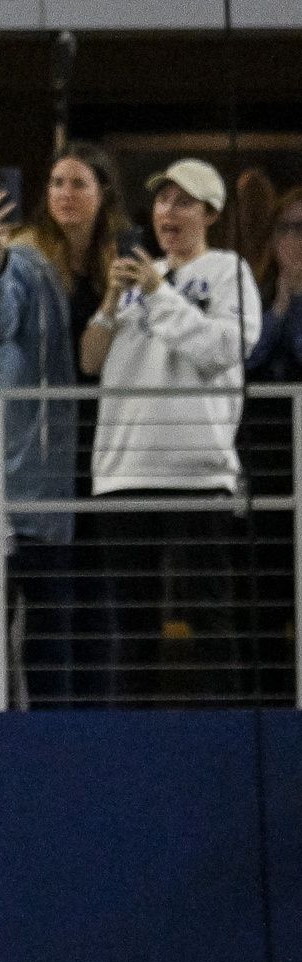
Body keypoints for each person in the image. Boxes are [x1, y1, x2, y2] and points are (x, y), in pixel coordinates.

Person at [82, 158, 261, 703]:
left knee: (209, 618)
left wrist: (161, 294)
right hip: (124, 469)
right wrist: (112, 301)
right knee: (131, 626)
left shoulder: (229, 271)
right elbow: (89, 362)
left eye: (183, 202)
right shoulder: (137, 281)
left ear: (210, 212)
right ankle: (130, 740)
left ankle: (223, 734)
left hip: (196, 471)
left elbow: (224, 351)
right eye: (161, 200)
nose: (168, 212)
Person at [0, 143, 129, 707]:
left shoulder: (123, 263)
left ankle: (99, 738)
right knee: (49, 620)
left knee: (101, 617)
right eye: (56, 183)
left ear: (104, 195)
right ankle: (50, 741)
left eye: (79, 184)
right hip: (37, 464)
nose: (65, 195)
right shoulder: (26, 262)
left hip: (108, 459)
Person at [248, 188, 302, 382]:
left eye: (299, 228)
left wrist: (296, 300)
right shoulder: (253, 289)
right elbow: (245, 360)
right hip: (262, 408)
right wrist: (279, 308)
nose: (290, 239)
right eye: (282, 228)